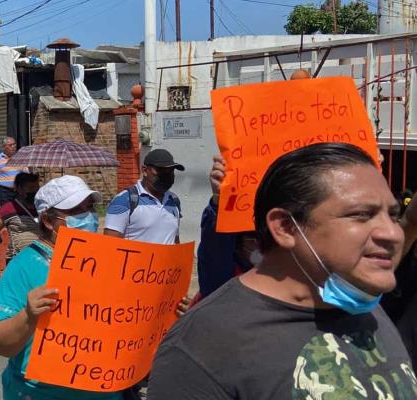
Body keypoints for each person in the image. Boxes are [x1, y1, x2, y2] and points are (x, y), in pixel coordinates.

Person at [147, 143, 417, 399]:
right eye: (361, 214)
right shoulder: (200, 349)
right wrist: (220, 204)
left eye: (392, 215)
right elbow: (213, 260)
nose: (392, 233)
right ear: (285, 227)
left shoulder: (367, 308)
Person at [0, 175, 116, 400]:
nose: (89, 217)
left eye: (90, 208)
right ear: (47, 220)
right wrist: (28, 316)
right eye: (77, 211)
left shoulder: (110, 261)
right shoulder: (24, 266)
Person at [195, 155, 257, 301]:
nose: (259, 245)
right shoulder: (226, 281)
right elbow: (215, 250)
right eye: (252, 238)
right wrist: (220, 201)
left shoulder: (283, 277)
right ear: (238, 244)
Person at [104, 148, 184, 244]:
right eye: (161, 170)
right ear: (145, 171)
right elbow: (110, 244)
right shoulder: (124, 200)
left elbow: (175, 240)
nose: (166, 175)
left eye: (170, 171)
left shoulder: (174, 200)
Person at [0, 137, 29, 204]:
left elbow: (26, 174)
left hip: (18, 191)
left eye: (14, 144)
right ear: (4, 147)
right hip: (3, 191)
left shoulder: (20, 157)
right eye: (10, 145)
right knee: (6, 211)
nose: (13, 147)